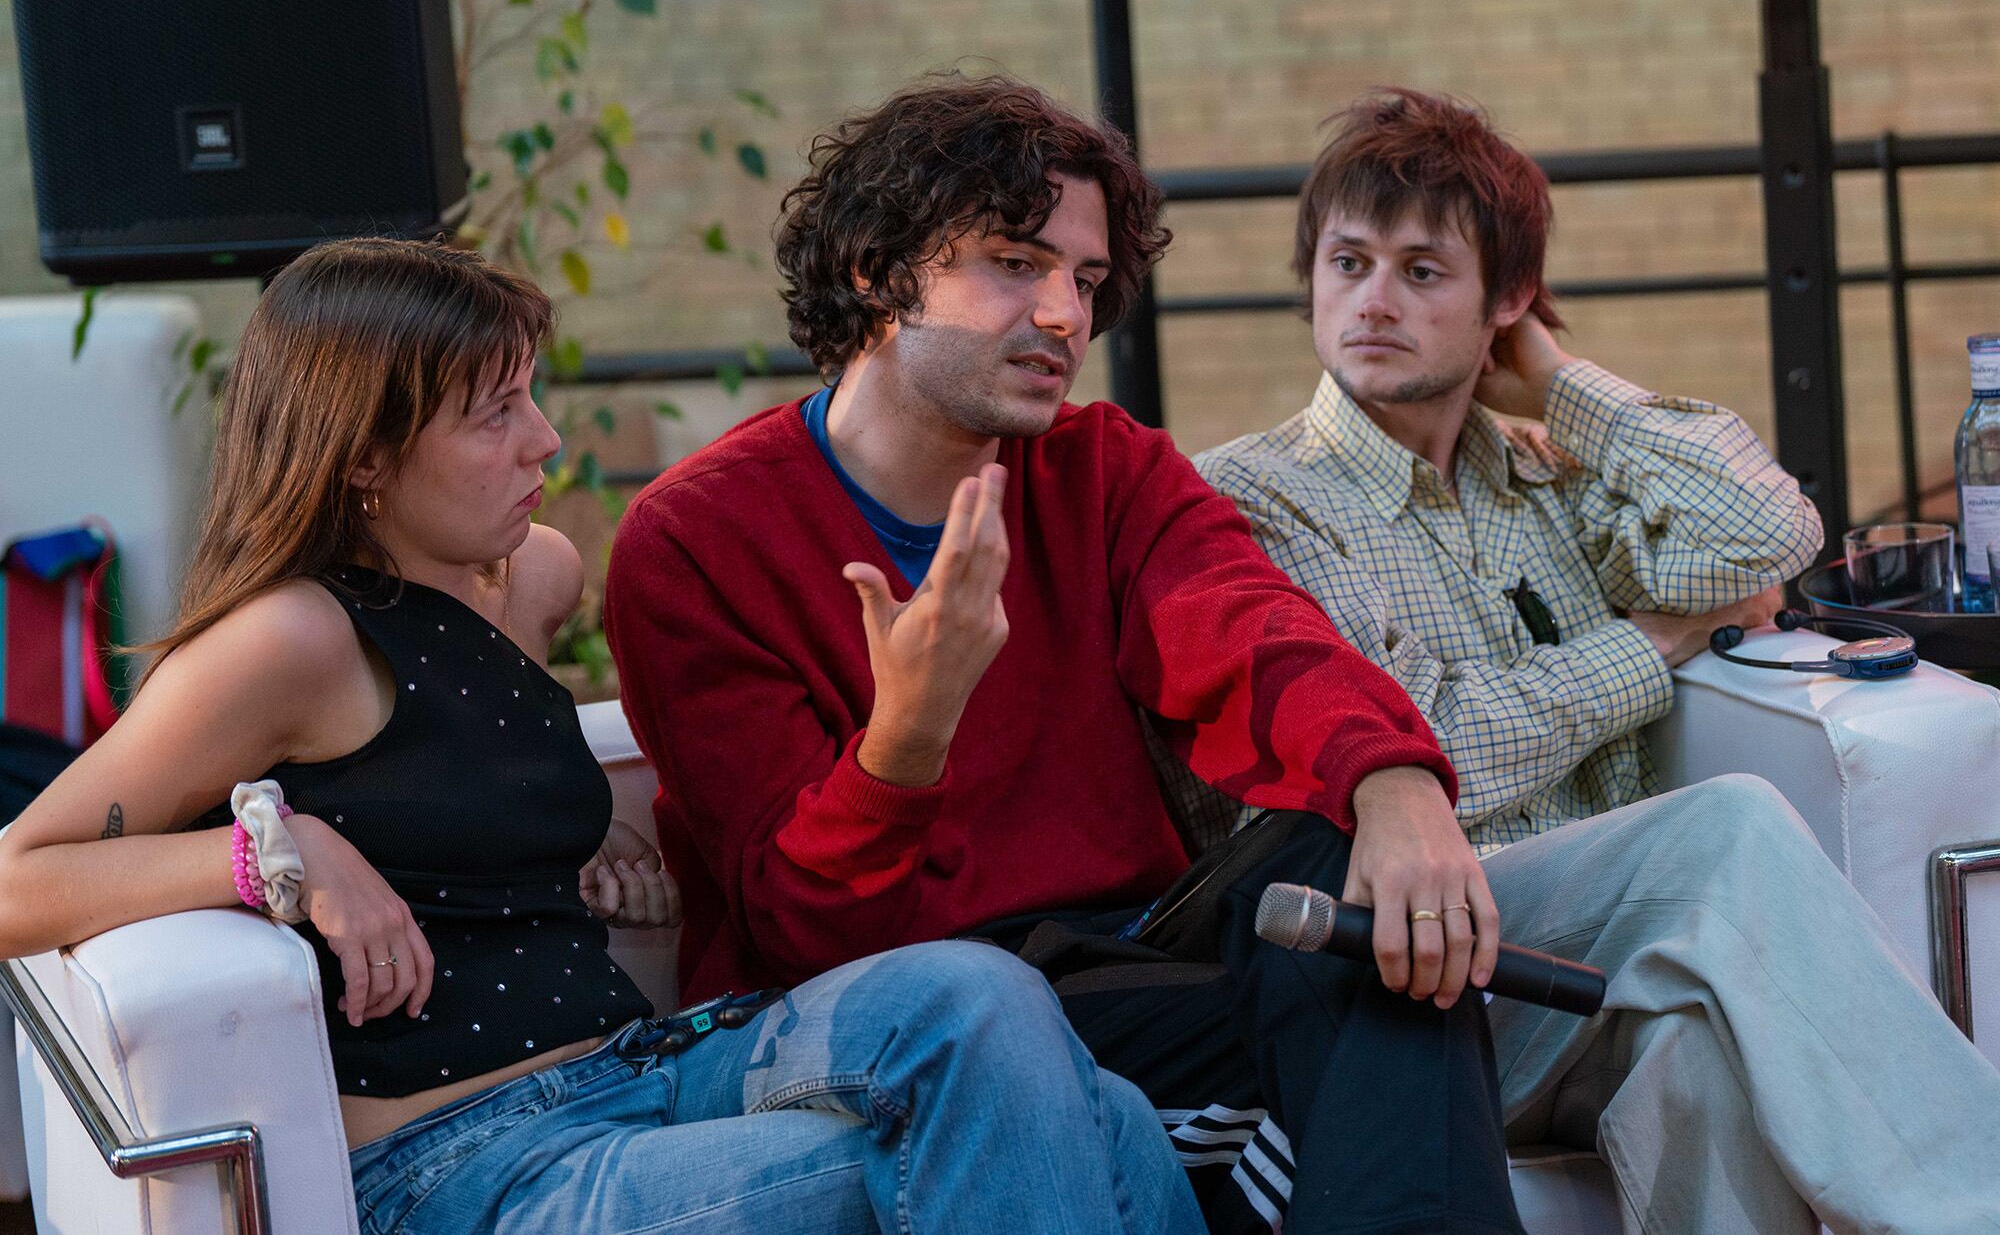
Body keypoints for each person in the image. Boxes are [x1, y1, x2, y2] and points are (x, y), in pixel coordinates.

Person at [0, 237, 1202, 1235]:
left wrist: (596, 842)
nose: (545, 444)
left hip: (642, 1070)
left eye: (530, 398)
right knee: (1079, 1128)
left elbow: (459, 792)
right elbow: (17, 876)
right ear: (363, 455)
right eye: (493, 416)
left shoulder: (529, 580)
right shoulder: (289, 638)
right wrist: (280, 853)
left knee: (980, 998)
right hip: (466, 1161)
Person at [606, 74, 1526, 1234]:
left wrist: (1390, 781)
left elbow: (1248, 627)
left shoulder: (1104, 467)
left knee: (1337, 873)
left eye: (1084, 280)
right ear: (873, 272)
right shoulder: (696, 538)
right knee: (1367, 1033)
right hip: (901, 1011)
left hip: (1122, 962)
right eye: (1013, 261)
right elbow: (804, 929)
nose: (1062, 315)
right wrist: (909, 733)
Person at [1195, 87, 2000, 1232]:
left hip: (1574, 986)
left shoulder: (1549, 473)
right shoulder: (1247, 496)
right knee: (1722, 828)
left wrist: (1571, 389)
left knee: (1695, 1044)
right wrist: (1646, 643)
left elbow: (1770, 533)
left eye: (1422, 272)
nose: (1371, 301)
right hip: (1390, 976)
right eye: (1346, 262)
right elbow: (1424, 736)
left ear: (1505, 305)